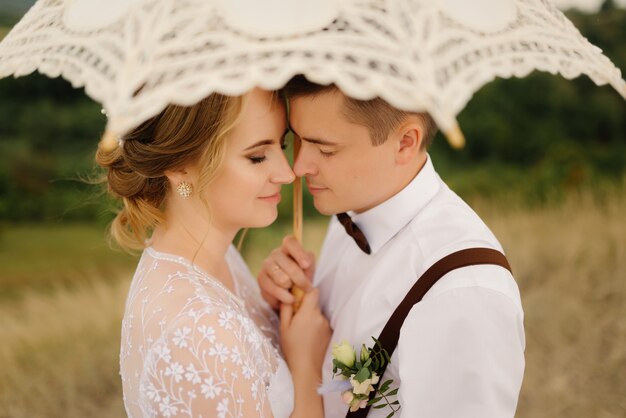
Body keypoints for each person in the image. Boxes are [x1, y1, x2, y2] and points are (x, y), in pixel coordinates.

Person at [258, 76, 525, 417]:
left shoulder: (461, 292)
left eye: (325, 149)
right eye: (298, 141)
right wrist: (280, 307)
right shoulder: (351, 208)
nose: (298, 167)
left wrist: (307, 368)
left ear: (405, 142)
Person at [96, 88, 331, 418]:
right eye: (257, 157)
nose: (287, 173)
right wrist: (306, 366)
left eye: (282, 145)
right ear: (180, 167)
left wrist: (275, 312)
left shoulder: (218, 260)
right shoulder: (197, 331)